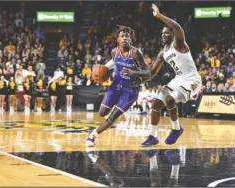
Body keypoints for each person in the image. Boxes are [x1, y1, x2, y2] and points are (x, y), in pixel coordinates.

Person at [141, 4, 202, 146]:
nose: (164, 35)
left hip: (192, 80)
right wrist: (134, 75)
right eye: (162, 33)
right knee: (156, 104)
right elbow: (151, 72)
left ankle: (176, 129)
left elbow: (177, 27)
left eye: (167, 33)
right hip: (179, 79)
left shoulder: (179, 43)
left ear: (173, 35)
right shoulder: (163, 52)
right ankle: (153, 136)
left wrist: (159, 15)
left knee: (168, 99)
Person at [86, 25, 150, 147]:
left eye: (127, 36)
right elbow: (114, 63)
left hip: (130, 91)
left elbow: (148, 72)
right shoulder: (114, 52)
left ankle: (92, 135)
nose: (125, 38)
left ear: (130, 39)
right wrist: (105, 70)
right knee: (102, 112)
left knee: (113, 115)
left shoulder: (136, 53)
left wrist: (133, 73)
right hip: (116, 85)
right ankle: (109, 121)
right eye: (122, 36)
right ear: (118, 40)